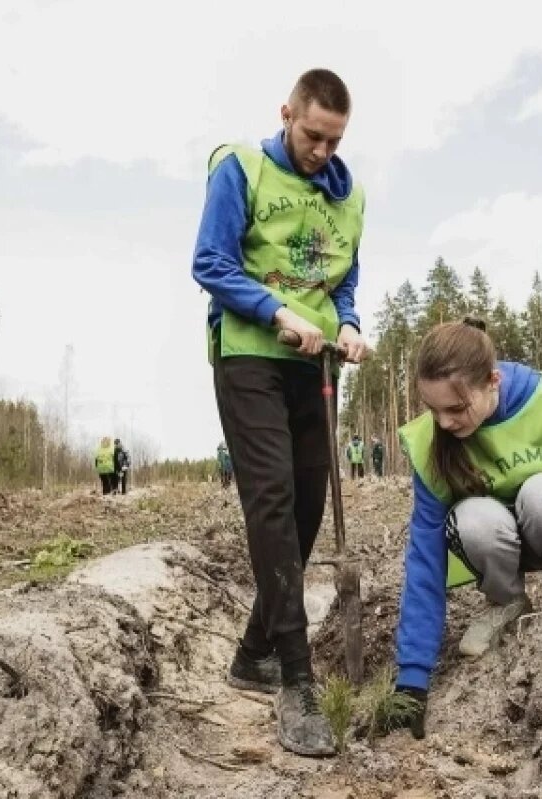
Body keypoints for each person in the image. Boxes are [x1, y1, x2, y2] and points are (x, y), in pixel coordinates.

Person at [192, 67, 368, 757]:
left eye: (334, 140)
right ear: (287, 113)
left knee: (307, 510)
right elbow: (210, 262)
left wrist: (347, 322)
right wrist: (277, 312)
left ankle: (252, 654)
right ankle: (297, 679)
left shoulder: (349, 197)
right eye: (312, 135)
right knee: (271, 502)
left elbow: (345, 278)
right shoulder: (240, 168)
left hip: (316, 366)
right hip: (250, 354)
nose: (321, 151)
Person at [385, 320, 542, 739]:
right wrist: (411, 679)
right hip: (498, 544)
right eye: (433, 410)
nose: (444, 422)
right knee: (473, 517)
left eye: (456, 409)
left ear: (493, 381)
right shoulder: (431, 444)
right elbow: (425, 559)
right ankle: (506, 601)